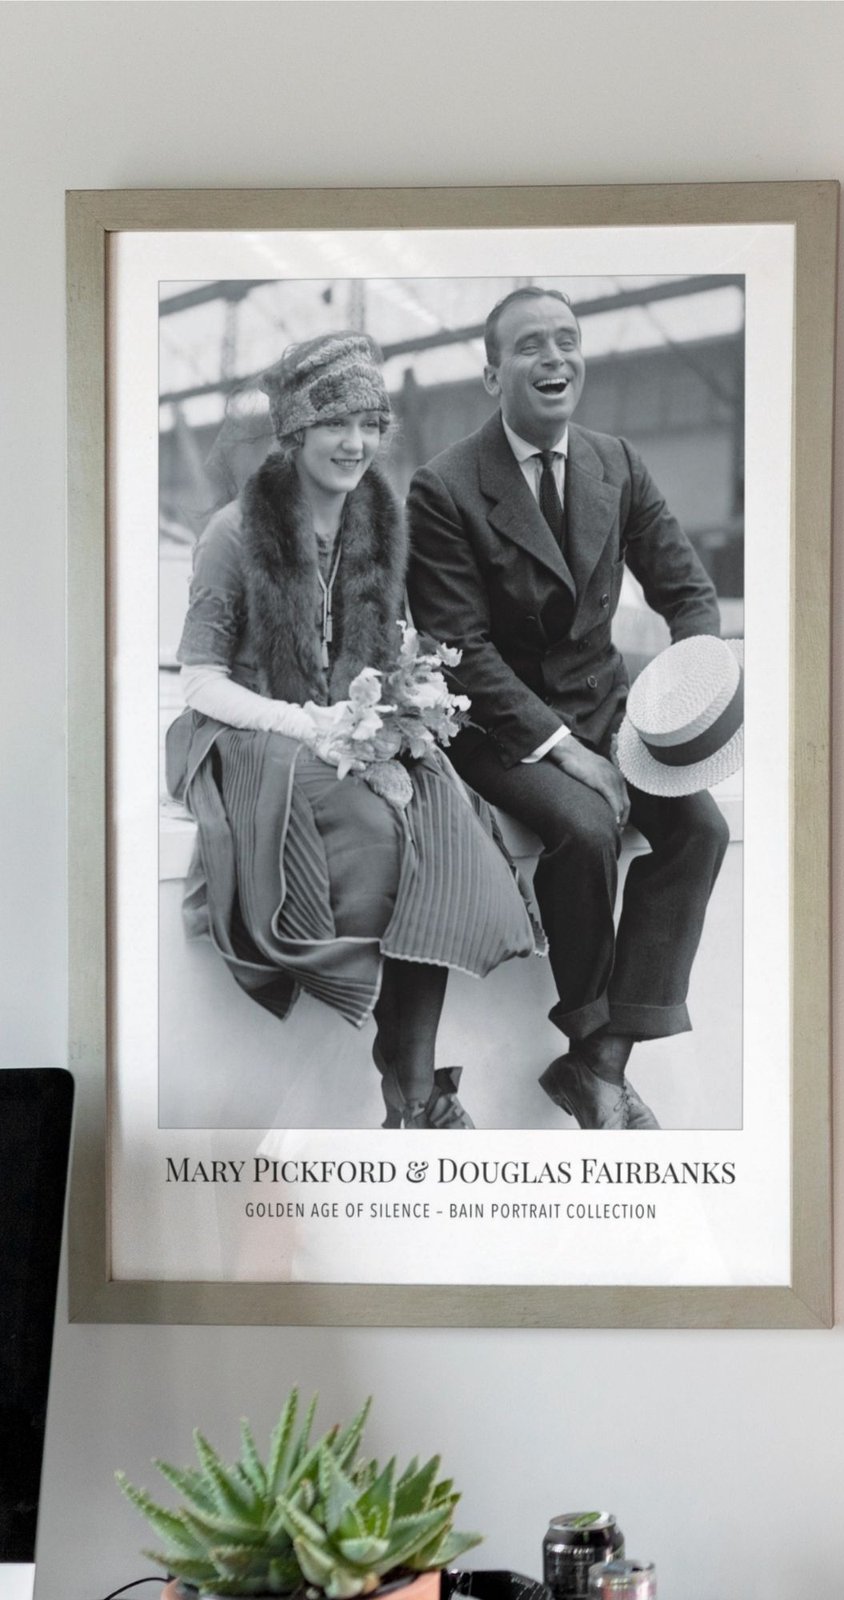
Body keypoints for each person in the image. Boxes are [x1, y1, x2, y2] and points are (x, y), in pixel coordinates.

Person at [168, 332, 539, 1131]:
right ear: (296, 432)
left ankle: (414, 1091)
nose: (355, 443)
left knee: (441, 824)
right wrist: (307, 722)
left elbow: (385, 647)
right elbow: (200, 680)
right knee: (378, 834)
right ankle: (413, 1092)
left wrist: (407, 700)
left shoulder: (382, 526)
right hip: (249, 733)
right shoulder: (235, 533)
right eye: (336, 423)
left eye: (371, 424)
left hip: (352, 723)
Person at [406, 287, 730, 1131]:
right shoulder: (442, 490)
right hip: (497, 727)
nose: (555, 359)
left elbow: (690, 596)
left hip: (610, 712)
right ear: (491, 374)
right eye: (530, 347)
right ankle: (591, 1037)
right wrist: (566, 750)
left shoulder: (616, 462)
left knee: (701, 830)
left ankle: (601, 1062)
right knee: (583, 828)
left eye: (567, 341)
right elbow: (462, 650)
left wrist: (686, 701)